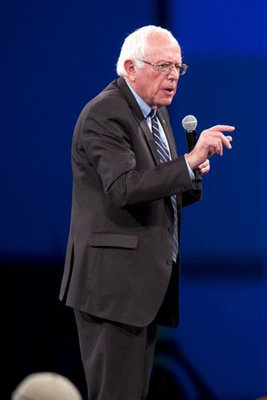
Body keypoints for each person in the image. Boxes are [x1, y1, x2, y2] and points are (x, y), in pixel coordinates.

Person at [58, 25, 235, 400]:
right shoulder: (105, 113)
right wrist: (186, 162)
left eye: (178, 67)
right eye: (163, 66)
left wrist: (189, 173)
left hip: (138, 290)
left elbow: (155, 192)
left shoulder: (155, 114)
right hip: (112, 288)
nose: (173, 75)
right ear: (130, 67)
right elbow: (123, 188)